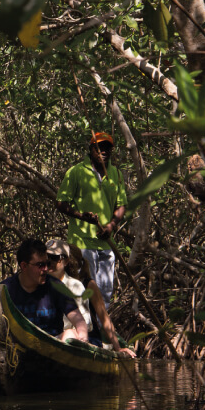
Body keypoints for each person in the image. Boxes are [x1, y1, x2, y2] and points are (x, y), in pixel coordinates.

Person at [56, 132, 128, 310]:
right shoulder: (76, 172)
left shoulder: (116, 174)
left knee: (105, 293)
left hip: (105, 244)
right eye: (98, 147)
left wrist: (111, 225)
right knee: (83, 291)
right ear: (91, 149)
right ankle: (84, 331)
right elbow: (61, 203)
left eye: (106, 148)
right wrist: (82, 216)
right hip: (82, 243)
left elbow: (121, 206)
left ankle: (103, 331)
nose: (102, 151)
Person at [0, 239, 88, 343]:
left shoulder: (56, 286)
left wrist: (82, 335)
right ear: (24, 266)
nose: (46, 269)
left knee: (71, 334)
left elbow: (78, 318)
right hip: (16, 348)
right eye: (40, 265)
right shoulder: (6, 288)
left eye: (47, 263)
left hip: (52, 347)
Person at [46, 239, 136, 358]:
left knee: (69, 335)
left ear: (67, 261)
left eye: (54, 258)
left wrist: (117, 347)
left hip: (83, 338)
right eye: (46, 257)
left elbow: (104, 318)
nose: (49, 262)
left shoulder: (83, 285)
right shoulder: (42, 282)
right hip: (56, 336)